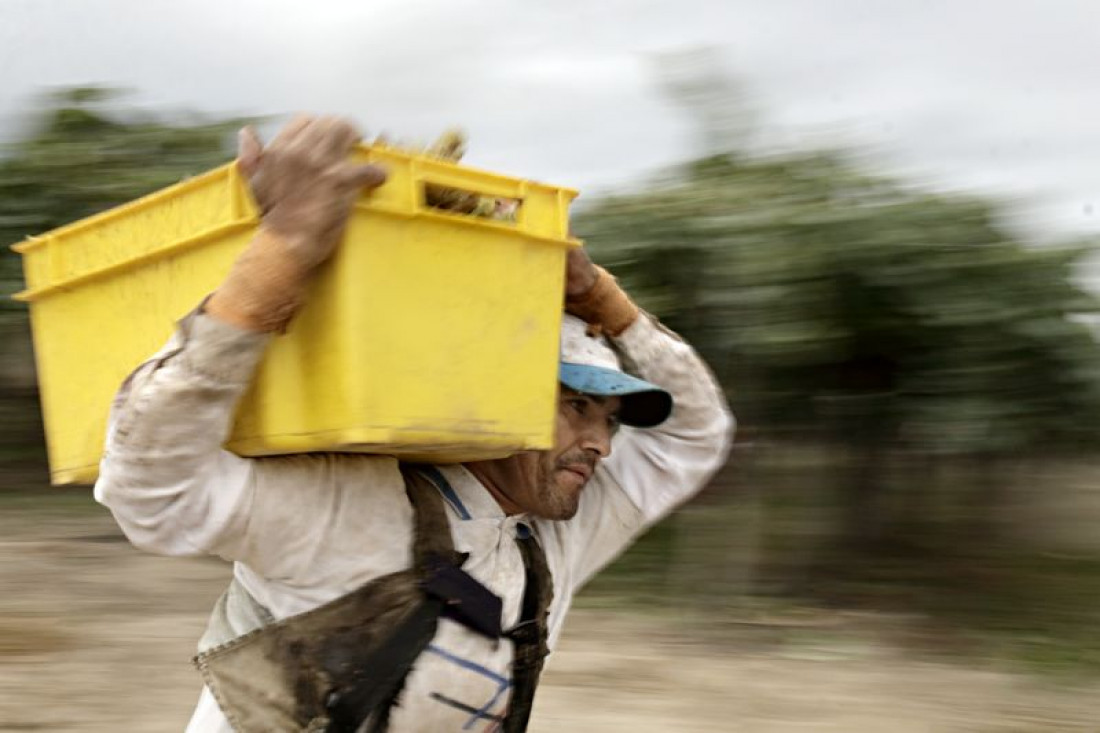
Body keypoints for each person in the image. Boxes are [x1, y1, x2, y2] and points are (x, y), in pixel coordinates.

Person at [94, 115, 734, 732]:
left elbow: (699, 432)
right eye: (576, 407)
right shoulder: (352, 505)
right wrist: (278, 256)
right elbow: (153, 493)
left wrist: (603, 299)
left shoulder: (553, 537)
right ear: (495, 397)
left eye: (612, 420)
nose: (600, 442)